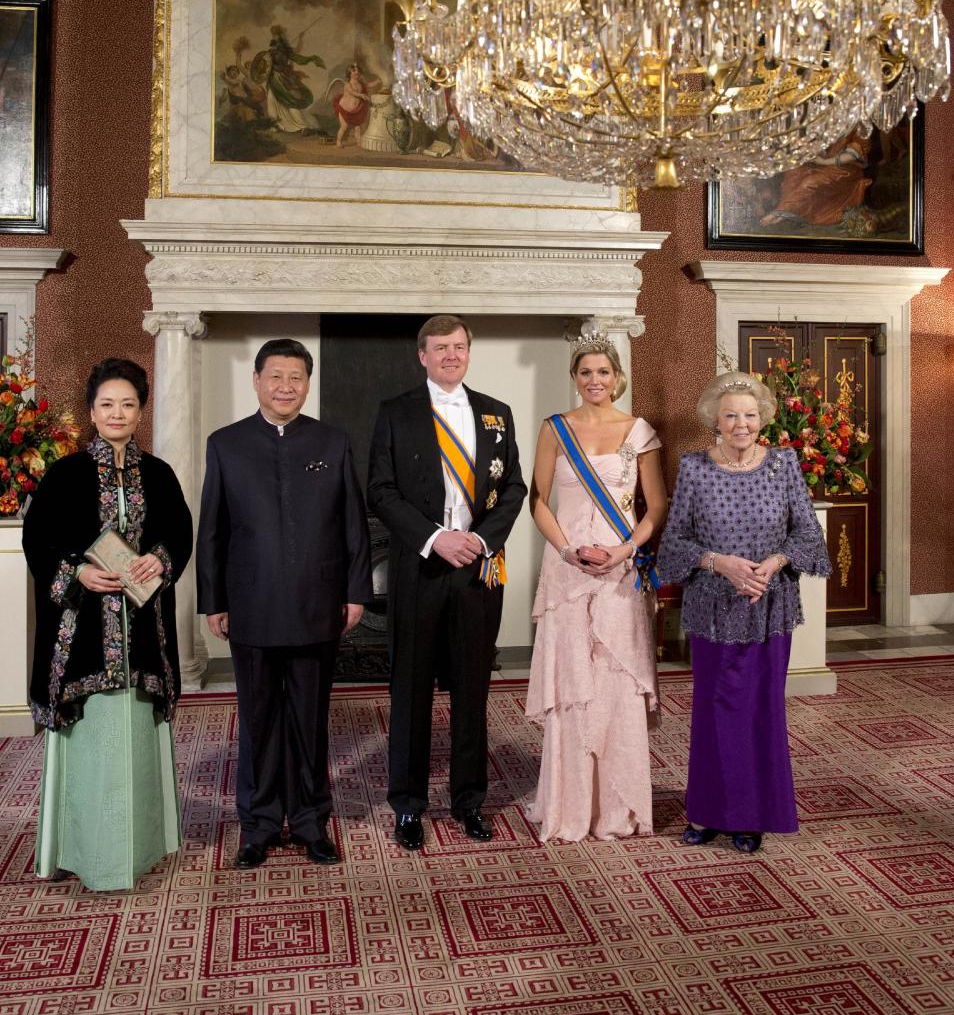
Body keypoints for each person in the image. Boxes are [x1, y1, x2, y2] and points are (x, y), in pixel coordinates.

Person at [196, 338, 372, 869]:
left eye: (296, 377)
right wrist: (214, 600)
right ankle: (259, 824)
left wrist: (355, 592)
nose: (285, 387)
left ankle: (312, 821)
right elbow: (213, 530)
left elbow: (353, 526)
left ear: (307, 384)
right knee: (258, 721)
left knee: (311, 720)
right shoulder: (225, 444)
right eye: (275, 376)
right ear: (256, 380)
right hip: (250, 604)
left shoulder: (332, 441)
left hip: (318, 603)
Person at [23, 358, 193, 891]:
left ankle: (140, 848)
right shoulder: (65, 474)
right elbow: (38, 541)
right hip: (84, 637)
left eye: (127, 404)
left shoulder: (160, 474)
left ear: (141, 411)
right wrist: (77, 572)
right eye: (106, 404)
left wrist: (159, 560)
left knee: (137, 739)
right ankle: (84, 849)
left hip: (143, 632)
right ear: (91, 412)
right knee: (92, 743)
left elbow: (179, 534)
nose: (117, 413)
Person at [368, 314, 526, 850]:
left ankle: (469, 801)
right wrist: (436, 538)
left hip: (478, 571)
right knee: (410, 691)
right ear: (423, 355)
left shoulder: (496, 414)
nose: (451, 356)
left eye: (459, 347)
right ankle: (408, 805)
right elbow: (381, 491)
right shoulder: (395, 413)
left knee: (472, 693)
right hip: (421, 569)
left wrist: (480, 541)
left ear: (468, 351)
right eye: (441, 348)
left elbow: (513, 491)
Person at [657, 372, 831, 854]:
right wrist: (722, 565)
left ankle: (751, 815)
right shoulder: (693, 468)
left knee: (760, 710)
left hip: (768, 606)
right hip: (714, 608)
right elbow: (675, 543)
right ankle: (707, 812)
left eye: (750, 415)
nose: (741, 424)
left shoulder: (784, 464)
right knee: (713, 711)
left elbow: (807, 536)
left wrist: (771, 565)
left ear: (763, 420)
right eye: (731, 414)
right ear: (715, 419)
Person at [526, 335, 666, 841]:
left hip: (619, 572)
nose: (594, 381)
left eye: (603, 372)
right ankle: (569, 805)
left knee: (614, 680)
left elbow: (656, 507)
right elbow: (537, 499)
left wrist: (624, 551)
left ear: (617, 377)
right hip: (567, 571)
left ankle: (619, 807)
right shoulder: (554, 429)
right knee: (573, 684)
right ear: (575, 377)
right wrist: (566, 550)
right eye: (585, 372)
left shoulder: (640, 431)